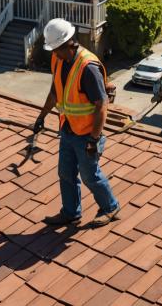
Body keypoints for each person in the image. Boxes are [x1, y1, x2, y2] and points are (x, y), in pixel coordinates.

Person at [34, 18, 121, 227]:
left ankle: (110, 207)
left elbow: (101, 104)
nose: (54, 54)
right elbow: (55, 91)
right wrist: (42, 115)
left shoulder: (87, 67)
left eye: (57, 49)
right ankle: (71, 213)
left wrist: (94, 139)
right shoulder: (58, 59)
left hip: (86, 134)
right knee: (65, 173)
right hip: (68, 128)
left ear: (69, 44)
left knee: (90, 175)